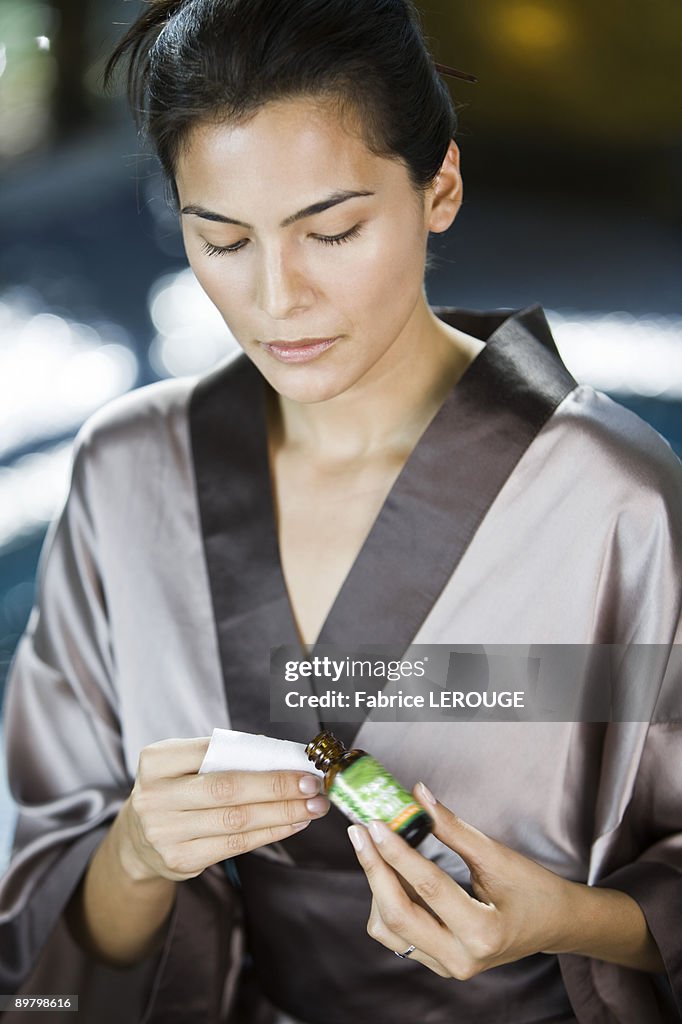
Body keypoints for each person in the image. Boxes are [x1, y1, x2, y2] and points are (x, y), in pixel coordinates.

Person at [1, 1, 681, 1021]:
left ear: (439, 186)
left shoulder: (609, 500)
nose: (279, 297)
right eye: (222, 239)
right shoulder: (125, 474)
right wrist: (138, 852)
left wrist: (569, 919)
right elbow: (38, 946)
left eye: (332, 229)